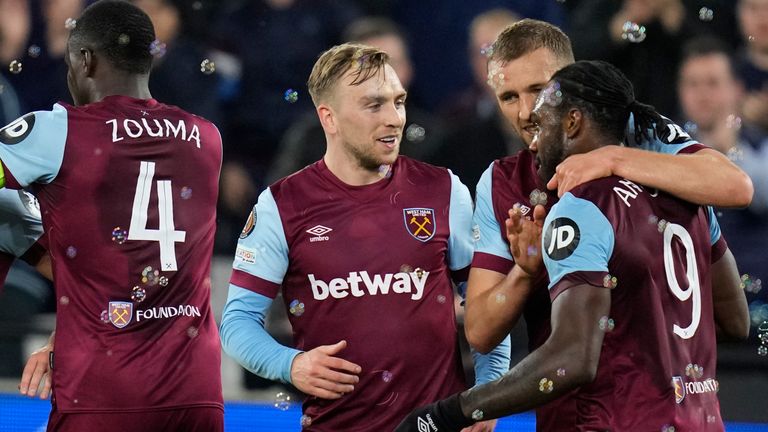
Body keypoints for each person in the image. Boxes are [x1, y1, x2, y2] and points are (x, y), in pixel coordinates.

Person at [397, 60, 750, 432]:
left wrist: (449, 412)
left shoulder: (579, 208)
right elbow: (734, 321)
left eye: (543, 122)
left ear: (572, 122)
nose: (534, 140)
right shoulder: (689, 195)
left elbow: (572, 358)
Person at [220, 43, 506, 432]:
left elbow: (486, 308)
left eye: (398, 101)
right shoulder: (281, 206)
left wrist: (487, 392)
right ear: (329, 118)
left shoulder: (444, 191)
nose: (394, 119)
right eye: (374, 105)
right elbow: (237, 322)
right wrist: (291, 364)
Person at [0, 1, 224, 430]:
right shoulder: (206, 137)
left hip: (101, 390)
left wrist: (21, 234)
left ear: (85, 61)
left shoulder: (58, 130)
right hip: (196, 394)